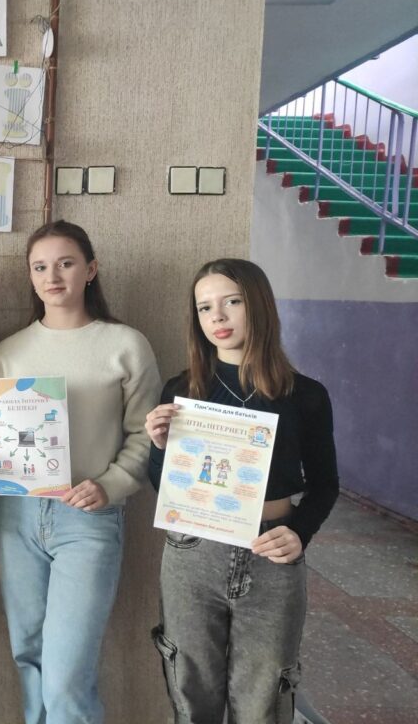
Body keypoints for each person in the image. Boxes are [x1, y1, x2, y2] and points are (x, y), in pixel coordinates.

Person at [0, 220, 161, 724]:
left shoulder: (126, 344)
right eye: (40, 267)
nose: (52, 276)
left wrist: (111, 486)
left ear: (90, 270)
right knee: (28, 655)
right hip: (18, 515)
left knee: (66, 675)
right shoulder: (10, 350)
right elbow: (6, 445)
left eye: (65, 263)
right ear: (30, 277)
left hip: (88, 519)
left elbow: (147, 435)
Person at [145, 258, 338, 723]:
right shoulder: (183, 390)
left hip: (271, 551)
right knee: (191, 691)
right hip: (194, 550)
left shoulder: (306, 395)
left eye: (232, 301)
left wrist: (300, 532)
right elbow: (165, 486)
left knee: (264, 698)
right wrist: (160, 446)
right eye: (205, 307)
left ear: (259, 305)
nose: (218, 316)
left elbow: (326, 484)